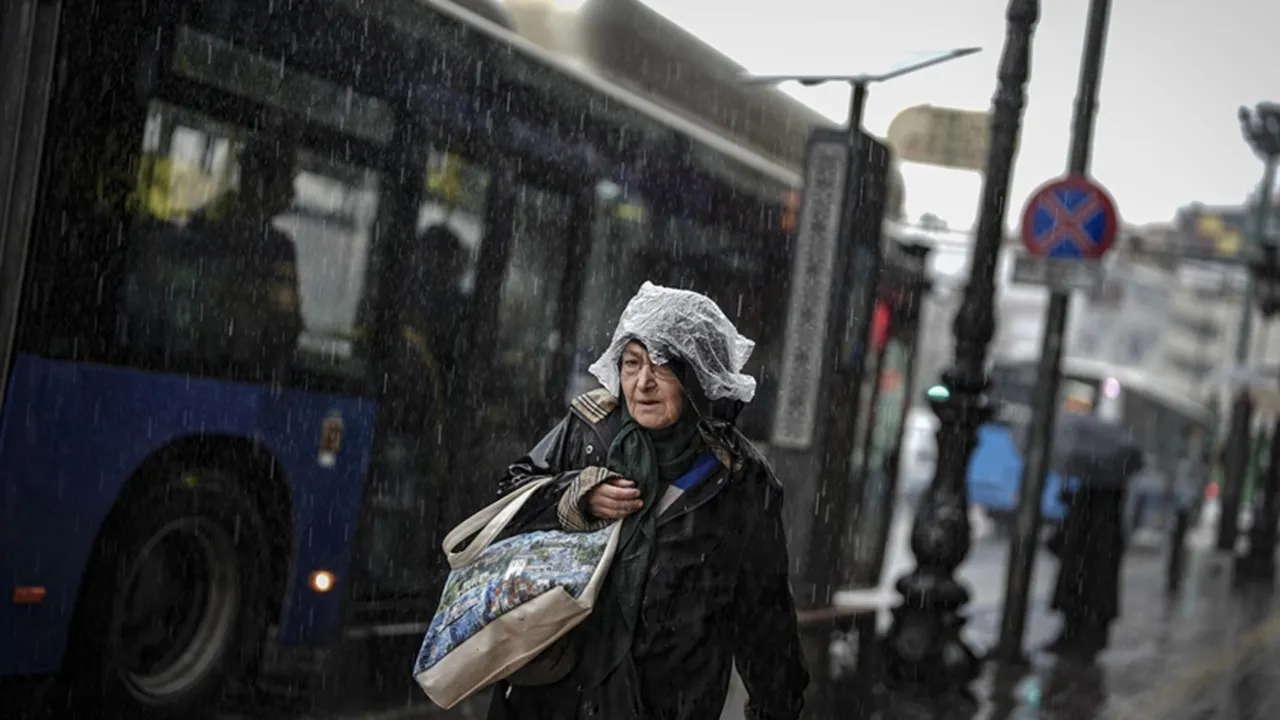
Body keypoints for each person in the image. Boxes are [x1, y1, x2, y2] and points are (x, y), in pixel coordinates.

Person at [486, 282, 809, 720]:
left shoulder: (740, 482)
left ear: (698, 377)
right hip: (552, 697)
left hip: (664, 703)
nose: (642, 383)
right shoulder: (591, 433)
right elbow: (510, 498)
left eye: (663, 366)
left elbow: (764, 616)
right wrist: (575, 494)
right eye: (632, 363)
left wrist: (777, 705)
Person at [1045, 404, 1145, 661]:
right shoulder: (1101, 483)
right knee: (1083, 593)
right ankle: (1077, 636)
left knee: (1085, 592)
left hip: (1090, 550)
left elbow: (1089, 521)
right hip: (1089, 550)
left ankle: (1079, 638)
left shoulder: (1104, 488)